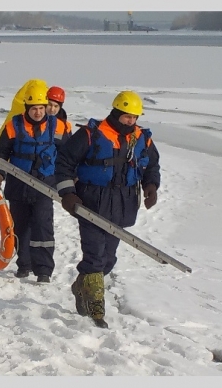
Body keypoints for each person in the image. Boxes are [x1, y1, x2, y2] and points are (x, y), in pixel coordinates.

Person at [54, 90, 161, 328]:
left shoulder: (142, 138)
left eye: (134, 117)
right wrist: (68, 193)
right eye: (126, 116)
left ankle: (82, 284)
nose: (130, 121)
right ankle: (96, 311)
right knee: (94, 256)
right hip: (91, 201)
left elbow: (151, 164)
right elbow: (64, 163)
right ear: (115, 112)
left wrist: (151, 186)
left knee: (108, 258)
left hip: (122, 205)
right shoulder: (91, 134)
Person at [0, 83, 71, 283]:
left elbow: (68, 156)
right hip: (18, 184)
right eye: (34, 108)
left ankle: (43, 270)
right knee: (20, 227)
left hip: (45, 185)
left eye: (42, 108)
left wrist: (69, 181)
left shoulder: (58, 126)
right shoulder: (13, 126)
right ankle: (24, 265)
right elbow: (0, 153)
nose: (38, 112)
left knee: (43, 226)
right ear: (26, 108)